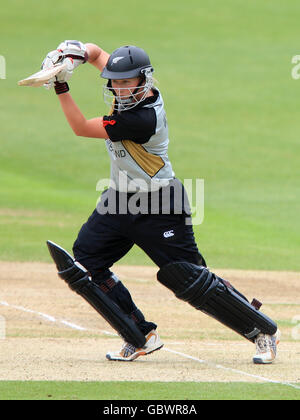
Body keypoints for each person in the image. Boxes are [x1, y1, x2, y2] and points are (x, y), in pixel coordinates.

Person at [43, 40, 280, 364]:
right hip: (119, 200)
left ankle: (262, 329)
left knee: (189, 277)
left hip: (160, 204)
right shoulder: (127, 88)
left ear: (144, 79)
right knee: (85, 264)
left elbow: (81, 128)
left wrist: (59, 83)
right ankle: (139, 336)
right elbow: (98, 54)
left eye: (127, 82)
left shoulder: (142, 119)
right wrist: (73, 54)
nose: (120, 89)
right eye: (116, 82)